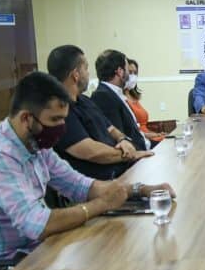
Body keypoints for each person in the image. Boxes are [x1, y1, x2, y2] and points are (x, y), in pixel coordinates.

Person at [0, 72, 175, 270]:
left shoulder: (35, 144)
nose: (61, 128)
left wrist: (139, 190)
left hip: (32, 256)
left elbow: (79, 185)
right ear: (27, 118)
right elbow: (37, 225)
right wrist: (101, 205)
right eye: (55, 120)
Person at [47, 45, 154, 180]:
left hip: (122, 170)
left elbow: (110, 128)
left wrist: (122, 140)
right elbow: (91, 152)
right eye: (86, 68)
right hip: (103, 182)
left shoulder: (85, 101)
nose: (88, 74)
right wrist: (129, 154)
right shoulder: (60, 111)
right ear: (75, 75)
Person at [91, 49, 149, 151]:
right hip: (136, 155)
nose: (129, 75)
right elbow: (118, 139)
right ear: (120, 71)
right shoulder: (103, 96)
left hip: (144, 147)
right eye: (127, 70)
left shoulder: (115, 93)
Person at [124, 59, 165, 144]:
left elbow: (143, 126)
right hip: (141, 140)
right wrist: (153, 135)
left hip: (148, 136)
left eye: (135, 73)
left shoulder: (134, 96)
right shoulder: (121, 98)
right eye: (130, 72)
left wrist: (156, 134)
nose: (133, 76)